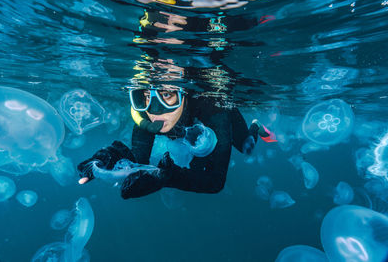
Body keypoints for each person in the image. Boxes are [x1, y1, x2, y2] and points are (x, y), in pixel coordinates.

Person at [77, 85, 276, 199]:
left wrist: (168, 178)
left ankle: (256, 126)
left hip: (223, 119)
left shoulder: (212, 107)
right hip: (193, 139)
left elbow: (216, 182)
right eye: (147, 96)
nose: (154, 109)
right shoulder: (146, 114)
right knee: (198, 163)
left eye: (166, 95)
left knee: (245, 147)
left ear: (183, 92)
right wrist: (109, 158)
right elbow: (137, 160)